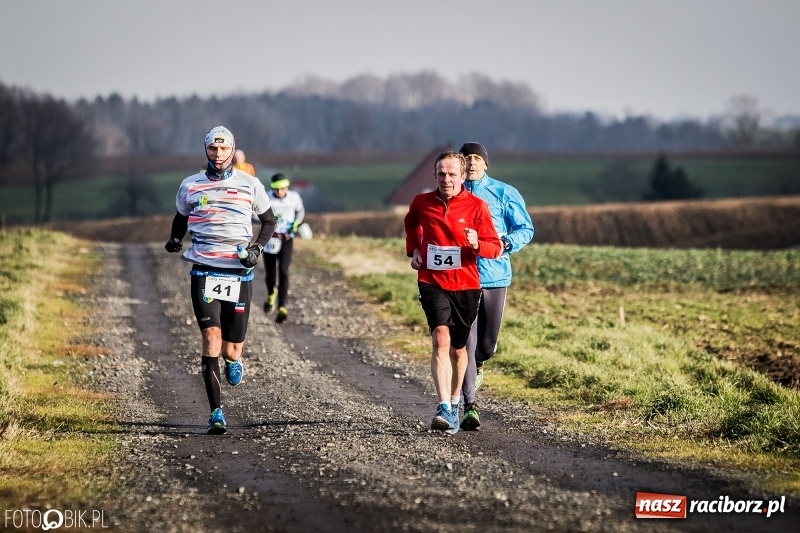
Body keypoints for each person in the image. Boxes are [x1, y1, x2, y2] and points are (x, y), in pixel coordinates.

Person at [165, 126, 277, 435]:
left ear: (232, 150)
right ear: (206, 151)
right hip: (203, 269)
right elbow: (181, 217)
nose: (218, 155)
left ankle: (233, 360)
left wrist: (256, 249)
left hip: (238, 272)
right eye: (213, 149)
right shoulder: (190, 185)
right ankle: (216, 413)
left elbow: (269, 221)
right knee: (211, 338)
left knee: (231, 350)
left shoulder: (249, 184)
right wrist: (175, 238)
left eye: (224, 149)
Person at [404, 151, 502, 433]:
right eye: (441, 174)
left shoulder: (477, 206)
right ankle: (444, 406)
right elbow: (410, 224)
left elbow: (494, 247)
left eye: (452, 174)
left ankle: (457, 399)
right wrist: (414, 249)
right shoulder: (422, 202)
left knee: (460, 350)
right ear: (435, 175)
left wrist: (476, 244)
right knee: (440, 337)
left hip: (467, 284)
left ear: (462, 176)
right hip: (432, 281)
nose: (446, 179)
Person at [458, 142, 534, 431]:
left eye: (477, 159)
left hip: (495, 275)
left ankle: (479, 364)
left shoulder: (504, 193)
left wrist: (506, 243)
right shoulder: (454, 194)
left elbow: (525, 228)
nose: (472, 163)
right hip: (462, 277)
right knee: (468, 341)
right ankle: (470, 406)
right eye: (467, 159)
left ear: (486, 164)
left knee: (486, 347)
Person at [262, 173, 306, 323]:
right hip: (270, 239)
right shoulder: (266, 197)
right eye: (277, 189)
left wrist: (295, 224)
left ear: (287, 187)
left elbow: (300, 211)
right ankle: (270, 293)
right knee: (271, 272)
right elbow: (256, 215)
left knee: (284, 271)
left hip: (287, 239)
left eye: (282, 189)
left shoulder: (294, 197)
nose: (280, 192)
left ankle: (282, 307)